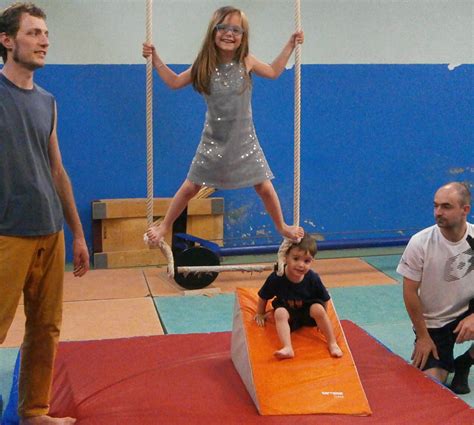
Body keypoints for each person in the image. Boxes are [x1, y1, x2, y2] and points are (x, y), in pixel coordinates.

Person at [143, 6, 304, 245]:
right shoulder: (204, 65)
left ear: (243, 37)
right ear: (213, 32)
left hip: (244, 140)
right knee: (190, 187)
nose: (229, 34)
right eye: (223, 28)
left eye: (236, 30)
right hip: (213, 140)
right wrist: (155, 59)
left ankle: (282, 226)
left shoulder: (246, 61)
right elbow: (174, 82)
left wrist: (291, 45)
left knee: (265, 187)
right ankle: (164, 225)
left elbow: (273, 72)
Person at [0, 3, 90, 424]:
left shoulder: (48, 102)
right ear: (7, 40)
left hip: (50, 231)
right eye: (34, 33)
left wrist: (77, 233)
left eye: (45, 34)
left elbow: (58, 170)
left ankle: (34, 412)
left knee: (45, 328)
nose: (44, 41)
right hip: (7, 233)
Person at [397, 182, 473, 394]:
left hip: (467, 311)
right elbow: (410, 292)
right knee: (430, 387)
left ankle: (465, 363)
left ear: (465, 210)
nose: (438, 212)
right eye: (436, 206)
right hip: (435, 324)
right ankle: (446, 363)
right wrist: (422, 336)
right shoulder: (420, 243)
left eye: (446, 207)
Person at [254, 233, 343, 359]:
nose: (301, 265)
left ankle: (332, 343)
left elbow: (324, 299)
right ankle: (287, 347)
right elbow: (263, 296)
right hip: (289, 314)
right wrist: (260, 313)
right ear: (286, 258)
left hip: (308, 312)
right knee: (279, 312)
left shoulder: (313, 278)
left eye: (306, 261)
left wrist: (322, 317)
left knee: (318, 308)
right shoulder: (277, 277)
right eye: (296, 259)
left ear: (312, 261)